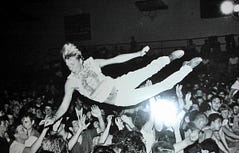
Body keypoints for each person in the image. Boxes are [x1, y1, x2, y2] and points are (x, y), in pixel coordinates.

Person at [50, 43, 202, 124]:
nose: (70, 65)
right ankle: (187, 67)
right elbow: (64, 104)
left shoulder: (92, 63)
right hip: (121, 99)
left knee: (148, 70)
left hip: (119, 83)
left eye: (72, 62)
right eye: (67, 63)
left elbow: (116, 59)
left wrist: (138, 53)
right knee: (161, 87)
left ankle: (169, 58)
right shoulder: (70, 82)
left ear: (79, 58)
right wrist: (54, 117)